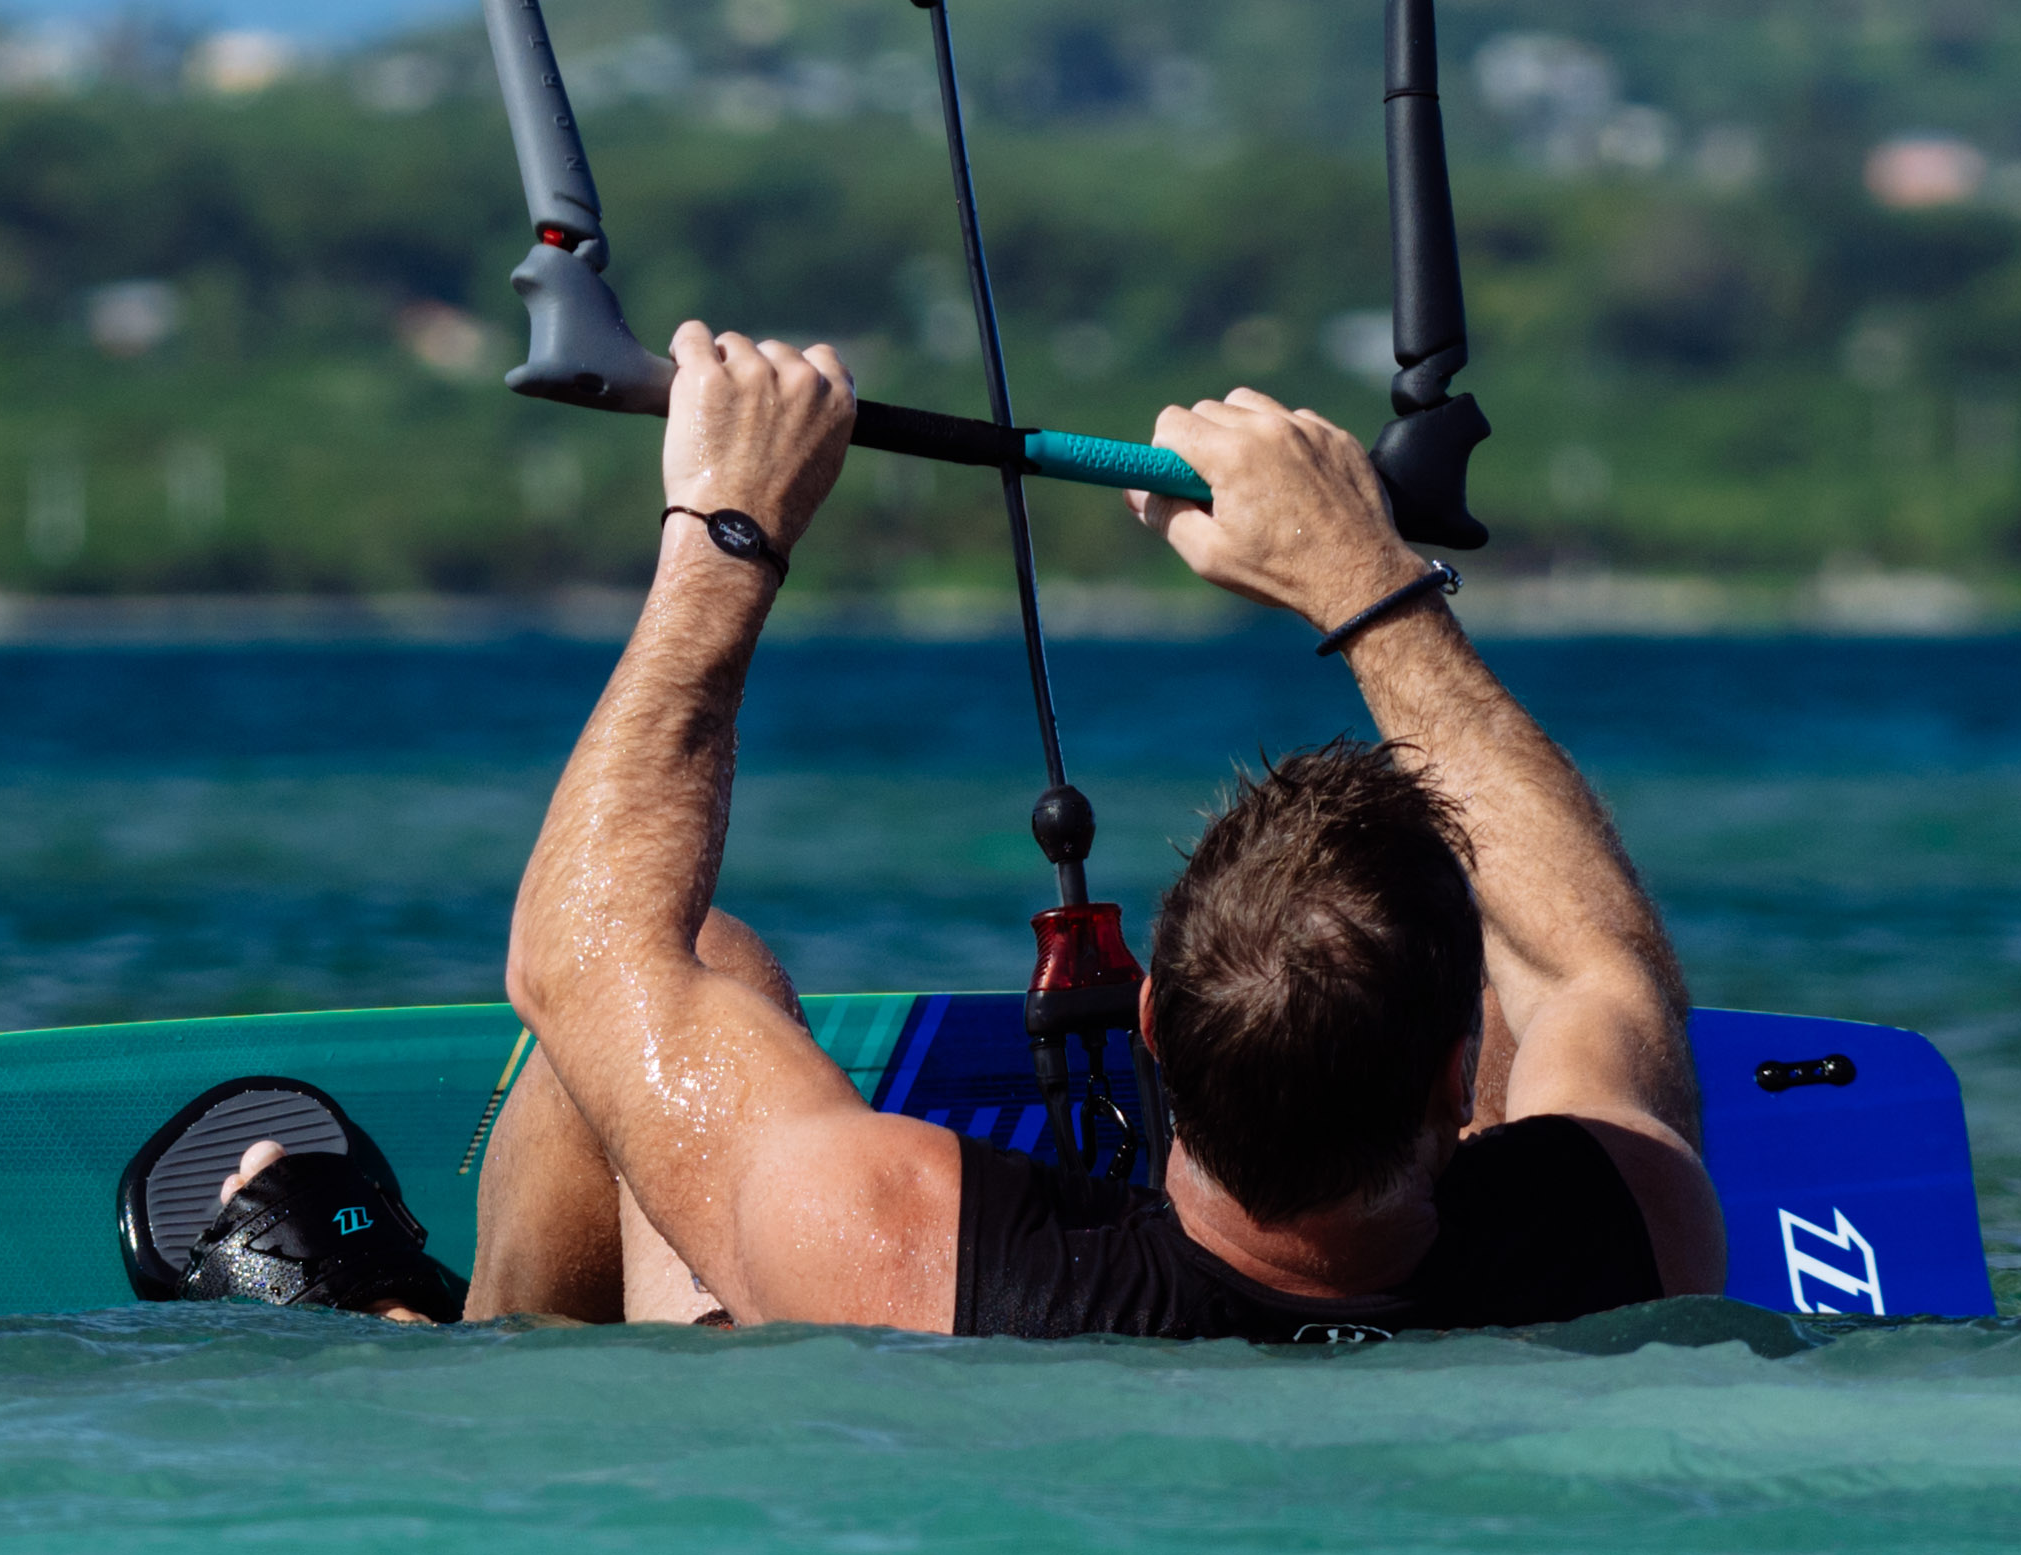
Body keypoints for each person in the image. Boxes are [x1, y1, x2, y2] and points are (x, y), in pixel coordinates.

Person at [469, 320, 1725, 1340]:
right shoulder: (1635, 1225)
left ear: (1153, 1034)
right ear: (1458, 1088)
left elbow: (580, 962)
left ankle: (467, 1350)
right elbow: (1591, 961)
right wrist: (1365, 581)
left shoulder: (892, 1247)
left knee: (714, 971)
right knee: (1518, 969)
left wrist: (728, 525)